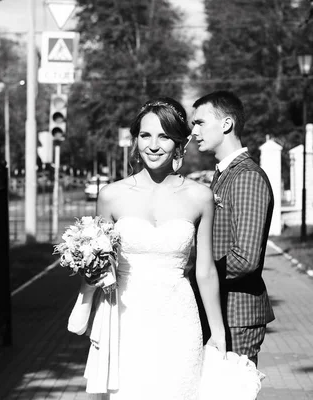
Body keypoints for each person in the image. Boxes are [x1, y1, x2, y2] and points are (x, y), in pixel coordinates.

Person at [93, 97, 226, 399]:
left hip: (179, 322)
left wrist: (218, 332)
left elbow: (204, 271)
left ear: (179, 143)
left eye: (164, 136)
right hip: (126, 321)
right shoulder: (111, 196)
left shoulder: (200, 197)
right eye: (145, 135)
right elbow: (101, 270)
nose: (154, 145)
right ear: (135, 140)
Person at [190, 90, 275, 366]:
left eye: (200, 123)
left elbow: (246, 258)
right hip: (221, 312)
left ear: (226, 124)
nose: (193, 132)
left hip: (236, 316)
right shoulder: (223, 175)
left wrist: (198, 274)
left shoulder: (247, 177)